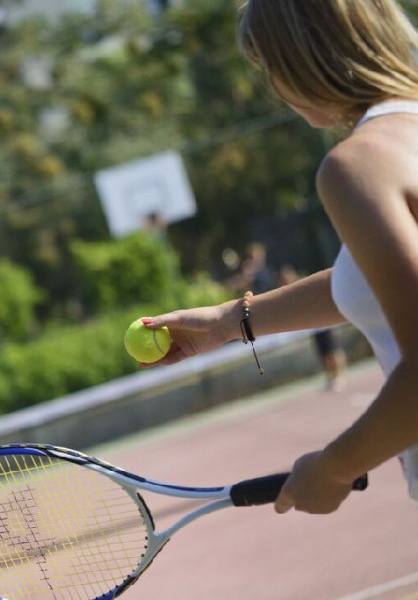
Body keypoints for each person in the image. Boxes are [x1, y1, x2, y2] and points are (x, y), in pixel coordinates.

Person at [135, 0, 418, 516]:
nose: (275, 89)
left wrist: (335, 467)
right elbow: (382, 280)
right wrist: (229, 321)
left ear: (301, 59)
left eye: (269, 69)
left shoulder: (360, 163)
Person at [277, 264, 347, 392]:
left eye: (285, 277)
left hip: (324, 323)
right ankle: (332, 377)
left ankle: (340, 376)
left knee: (332, 350)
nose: (284, 281)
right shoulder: (288, 292)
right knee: (323, 354)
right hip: (314, 327)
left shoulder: (304, 284)